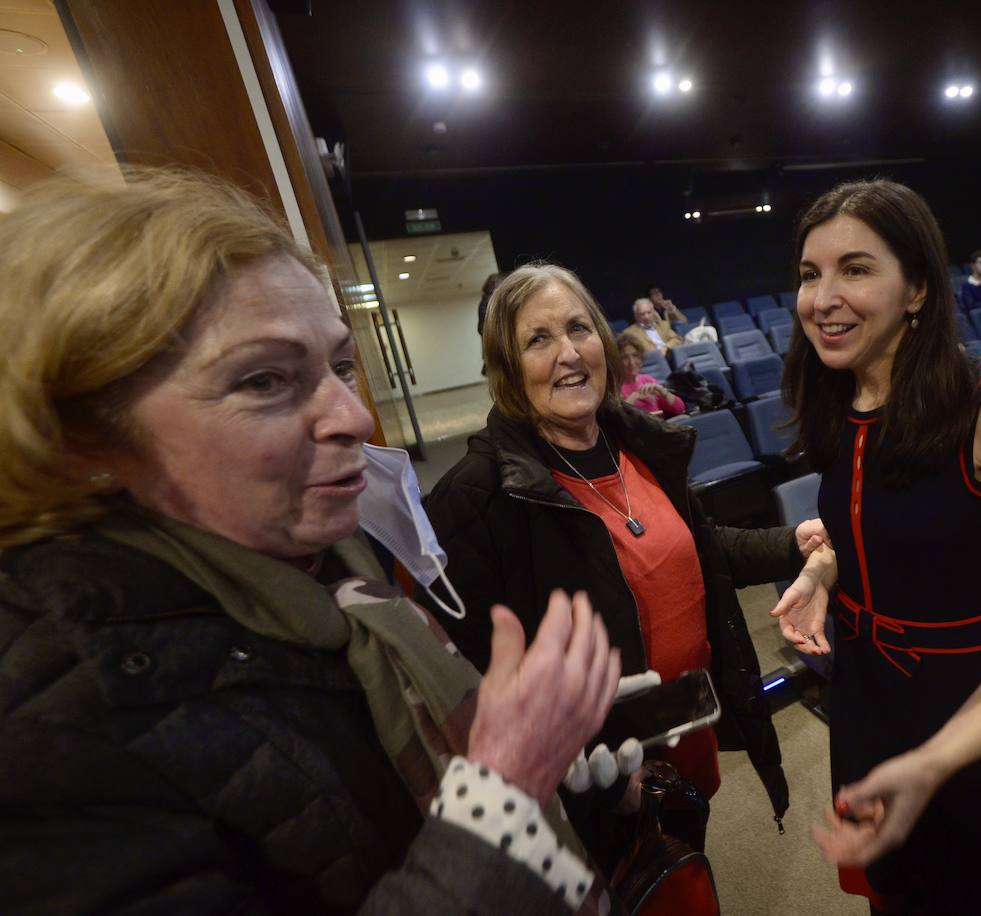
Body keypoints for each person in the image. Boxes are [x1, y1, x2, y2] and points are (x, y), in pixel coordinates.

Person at [0, 170, 623, 913]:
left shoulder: (338, 566)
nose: (355, 418)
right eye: (264, 381)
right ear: (82, 438)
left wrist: (551, 781)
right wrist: (506, 796)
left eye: (340, 367)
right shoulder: (46, 724)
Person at [422, 262, 825, 870]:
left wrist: (792, 541)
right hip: (592, 783)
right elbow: (471, 684)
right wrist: (589, 775)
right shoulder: (472, 498)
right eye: (538, 339)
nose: (568, 353)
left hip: (684, 732)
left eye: (578, 328)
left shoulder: (637, 442)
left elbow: (695, 551)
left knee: (685, 871)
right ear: (505, 367)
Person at [770, 179, 981, 914]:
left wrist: (936, 761)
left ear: (916, 289)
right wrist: (823, 569)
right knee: (895, 896)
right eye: (810, 274)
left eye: (855, 269)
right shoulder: (835, 395)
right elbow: (881, 527)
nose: (822, 298)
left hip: (963, 708)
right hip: (864, 696)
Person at [617, 335, 686, 417]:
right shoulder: (614, 387)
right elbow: (617, 419)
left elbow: (680, 409)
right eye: (624, 357)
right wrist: (634, 397)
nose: (631, 362)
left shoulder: (647, 380)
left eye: (635, 355)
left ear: (641, 358)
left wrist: (663, 392)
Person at [619, 297, 684, 356]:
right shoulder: (629, 333)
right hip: (651, 361)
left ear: (653, 313)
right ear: (636, 316)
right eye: (642, 314)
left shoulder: (663, 325)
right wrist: (657, 353)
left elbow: (677, 339)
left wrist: (666, 347)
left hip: (670, 355)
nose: (646, 317)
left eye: (649, 312)